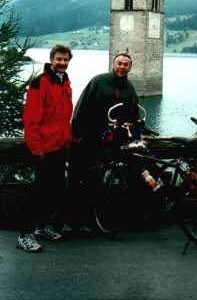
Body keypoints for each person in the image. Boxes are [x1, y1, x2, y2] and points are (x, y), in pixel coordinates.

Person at [69, 52, 140, 231]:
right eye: (119, 63)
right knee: (80, 178)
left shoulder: (129, 88)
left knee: (99, 179)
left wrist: (136, 134)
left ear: (130, 67)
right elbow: (81, 106)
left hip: (112, 141)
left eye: (126, 64)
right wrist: (76, 132)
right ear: (113, 64)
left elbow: (134, 115)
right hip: (90, 138)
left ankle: (94, 219)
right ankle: (74, 220)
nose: (122, 67)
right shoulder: (99, 81)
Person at [17, 44, 73, 253]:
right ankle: (25, 234)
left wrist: (67, 139)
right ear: (51, 60)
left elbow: (64, 117)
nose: (62, 63)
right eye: (59, 59)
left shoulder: (64, 82)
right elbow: (31, 119)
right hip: (43, 148)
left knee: (56, 190)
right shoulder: (40, 83)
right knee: (38, 193)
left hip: (59, 146)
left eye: (66, 60)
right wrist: (36, 147)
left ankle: (43, 226)